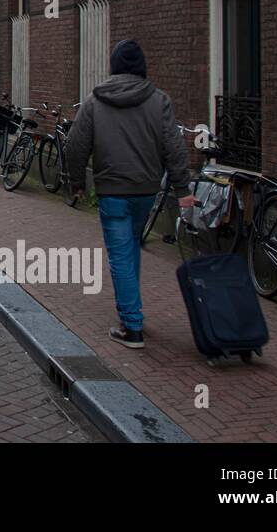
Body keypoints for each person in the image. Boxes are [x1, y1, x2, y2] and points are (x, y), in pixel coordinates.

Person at [65, 39, 194, 350]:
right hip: (146, 190)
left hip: (111, 190)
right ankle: (131, 311)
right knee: (131, 246)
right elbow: (174, 147)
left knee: (121, 253)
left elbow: (75, 145)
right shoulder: (159, 101)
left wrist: (75, 183)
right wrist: (182, 188)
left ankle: (132, 325)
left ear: (114, 67)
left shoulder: (95, 101)